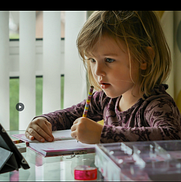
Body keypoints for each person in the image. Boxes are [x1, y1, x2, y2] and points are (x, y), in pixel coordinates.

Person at [25, 11, 181, 144]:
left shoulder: (157, 105)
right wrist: (43, 122)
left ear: (144, 59)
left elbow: (173, 137)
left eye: (109, 60)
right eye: (92, 60)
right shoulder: (104, 100)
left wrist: (103, 135)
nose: (97, 71)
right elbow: (68, 116)